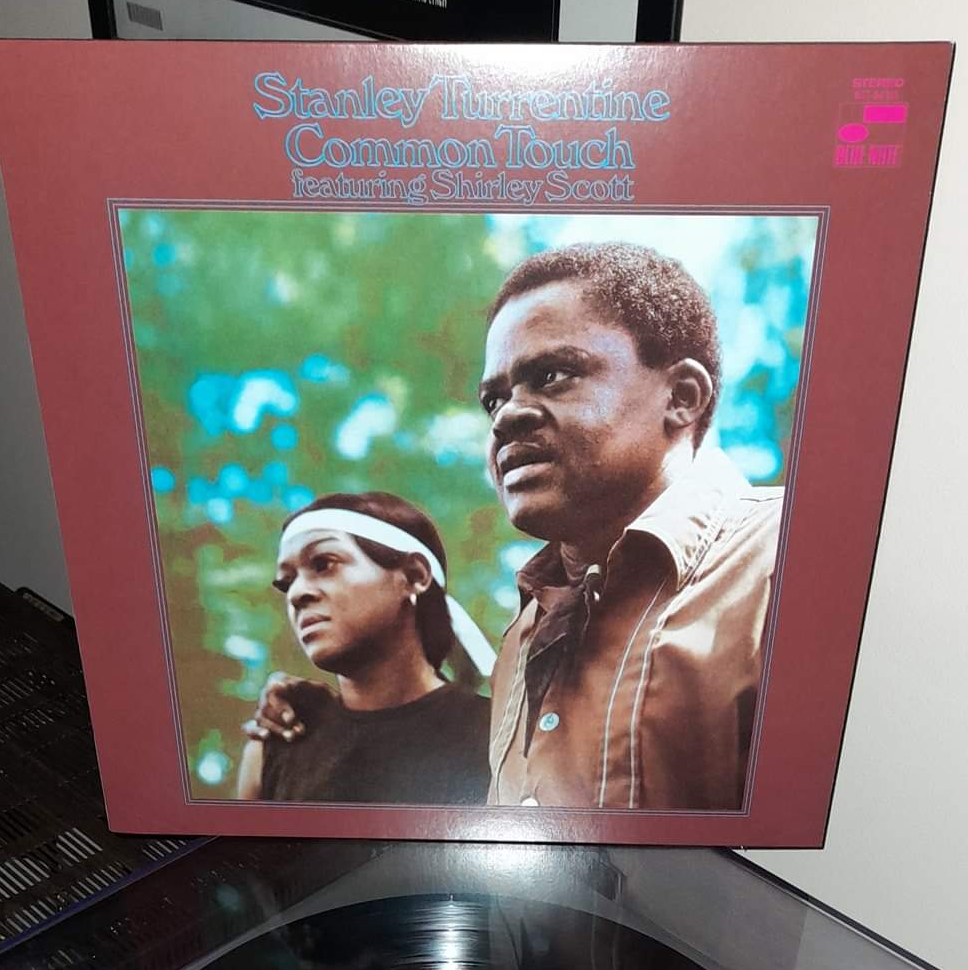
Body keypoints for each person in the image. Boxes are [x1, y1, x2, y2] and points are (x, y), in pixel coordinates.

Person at [478, 241, 782, 812]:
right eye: (492, 401)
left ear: (682, 398)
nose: (507, 417)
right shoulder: (521, 635)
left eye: (552, 375)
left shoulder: (791, 558)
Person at [237, 492, 491, 806]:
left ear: (414, 575)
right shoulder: (274, 747)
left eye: (324, 564)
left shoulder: (501, 737)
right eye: (287, 582)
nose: (296, 594)